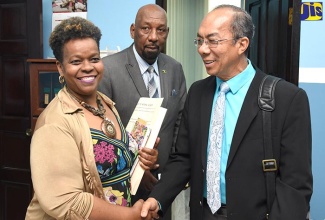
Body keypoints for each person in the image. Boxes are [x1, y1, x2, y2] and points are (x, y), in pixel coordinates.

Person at [141, 4, 313, 220]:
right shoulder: (198, 93)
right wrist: (157, 199)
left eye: (213, 41)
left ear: (242, 44)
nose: (203, 49)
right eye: (200, 40)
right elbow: (183, 158)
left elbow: (295, 185)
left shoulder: (287, 99)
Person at [25, 16, 159, 220]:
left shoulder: (105, 103)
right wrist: (129, 216)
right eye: (76, 61)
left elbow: (113, 162)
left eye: (94, 59)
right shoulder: (54, 123)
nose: (88, 67)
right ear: (60, 67)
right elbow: (65, 200)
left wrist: (142, 163)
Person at [98, 4, 188, 220]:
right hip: (121, 186)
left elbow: (180, 123)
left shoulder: (174, 68)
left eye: (161, 30)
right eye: (146, 29)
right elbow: (102, 133)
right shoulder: (108, 69)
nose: (153, 36)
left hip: (163, 186)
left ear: (167, 33)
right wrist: (138, 170)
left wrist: (169, 173)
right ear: (133, 30)